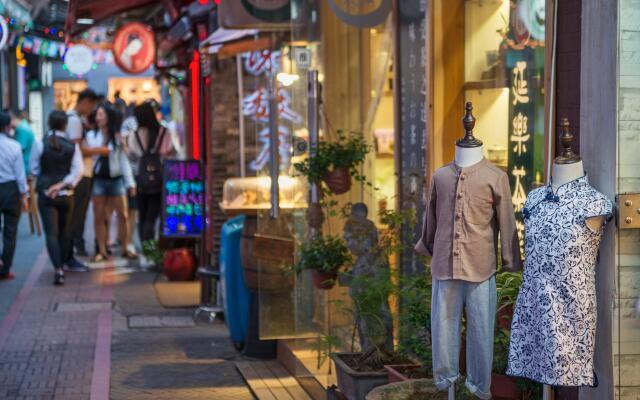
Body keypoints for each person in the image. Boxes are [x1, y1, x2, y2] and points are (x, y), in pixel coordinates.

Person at [30, 111, 84, 285]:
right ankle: (62, 264)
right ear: (65, 125)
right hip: (66, 195)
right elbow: (78, 171)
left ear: (49, 123)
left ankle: (58, 269)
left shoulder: (40, 144)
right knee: (65, 232)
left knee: (51, 233)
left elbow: (34, 169)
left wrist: (49, 183)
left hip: (46, 194)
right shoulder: (72, 146)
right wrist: (62, 184)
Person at [86, 104, 136, 262]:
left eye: (101, 114)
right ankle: (102, 250)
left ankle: (125, 247)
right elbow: (90, 154)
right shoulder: (92, 136)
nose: (98, 118)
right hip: (99, 179)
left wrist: (130, 183)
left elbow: (123, 160)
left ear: (109, 117)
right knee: (99, 217)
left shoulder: (117, 136)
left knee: (124, 214)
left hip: (117, 179)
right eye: (97, 115)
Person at [128, 101, 176, 246]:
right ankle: (159, 248)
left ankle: (145, 247)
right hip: (160, 178)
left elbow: (132, 155)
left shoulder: (134, 135)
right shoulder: (164, 132)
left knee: (143, 215)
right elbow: (171, 152)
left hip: (141, 179)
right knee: (157, 215)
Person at [67, 88, 99, 262]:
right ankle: (71, 251)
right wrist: (100, 150)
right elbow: (77, 149)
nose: (92, 110)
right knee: (77, 214)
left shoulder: (74, 119)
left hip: (81, 173)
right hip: (81, 173)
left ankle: (72, 248)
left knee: (78, 213)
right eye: (92, 106)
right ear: (86, 102)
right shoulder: (74, 121)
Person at [0, 112, 29, 281]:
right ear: (7, 127)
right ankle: (5, 269)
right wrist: (24, 195)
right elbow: (20, 174)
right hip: (11, 190)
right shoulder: (14, 146)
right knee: (10, 230)